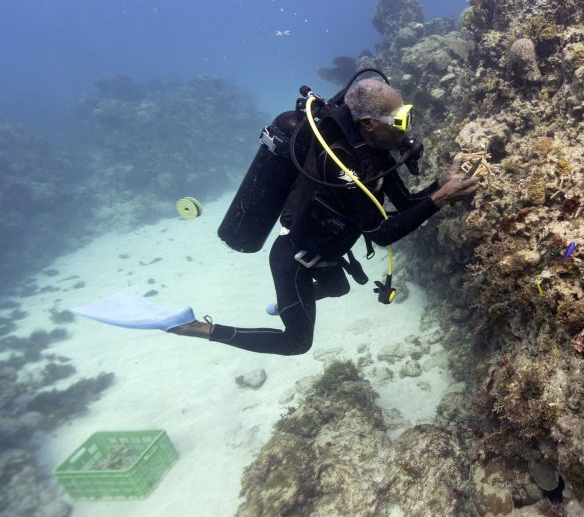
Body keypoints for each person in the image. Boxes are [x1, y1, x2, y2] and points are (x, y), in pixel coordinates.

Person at [168, 79, 479, 355]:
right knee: (297, 343)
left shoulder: (375, 151)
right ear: (368, 123)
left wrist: (440, 183)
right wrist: (441, 198)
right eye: (399, 119)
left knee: (339, 288)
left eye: (406, 115)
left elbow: (407, 200)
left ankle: (288, 304)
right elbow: (381, 233)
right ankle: (197, 327)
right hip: (294, 259)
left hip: (327, 255)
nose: (406, 128)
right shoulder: (340, 165)